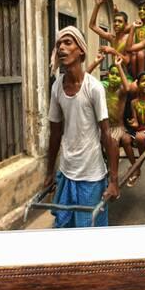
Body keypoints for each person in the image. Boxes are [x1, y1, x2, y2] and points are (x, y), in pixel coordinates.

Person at [46, 26, 119, 228]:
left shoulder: (93, 88)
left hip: (91, 175)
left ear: (81, 51)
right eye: (59, 44)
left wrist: (113, 181)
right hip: (66, 172)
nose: (61, 47)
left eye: (68, 42)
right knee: (63, 228)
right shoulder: (56, 87)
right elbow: (55, 133)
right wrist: (49, 172)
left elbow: (107, 134)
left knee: (89, 235)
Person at [87, 54, 136, 166]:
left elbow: (128, 88)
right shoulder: (102, 87)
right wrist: (95, 62)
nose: (114, 77)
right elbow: (84, 78)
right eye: (112, 74)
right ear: (108, 75)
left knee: (114, 141)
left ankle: (132, 168)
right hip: (103, 127)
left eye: (117, 75)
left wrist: (119, 66)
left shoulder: (121, 91)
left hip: (117, 127)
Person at [88, 0, 130, 66]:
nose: (116, 24)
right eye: (115, 21)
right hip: (114, 73)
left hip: (127, 76)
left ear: (126, 24)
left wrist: (112, 51)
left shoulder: (129, 39)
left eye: (119, 21)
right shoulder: (112, 38)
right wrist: (97, 5)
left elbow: (127, 61)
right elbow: (92, 26)